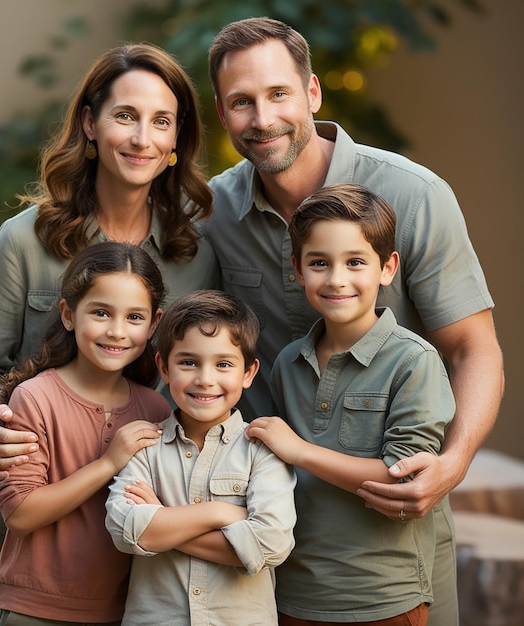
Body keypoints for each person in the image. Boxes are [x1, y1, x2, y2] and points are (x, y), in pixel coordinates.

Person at [202, 17, 503, 625]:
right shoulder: (212, 213)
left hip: (395, 535)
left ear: (312, 92)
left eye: (278, 94)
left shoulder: (414, 195)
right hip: (269, 526)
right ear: (222, 112)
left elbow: (475, 349)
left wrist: (451, 465)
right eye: (242, 102)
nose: (262, 119)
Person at [0, 43, 216, 626]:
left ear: (177, 143)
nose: (142, 137)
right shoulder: (24, 240)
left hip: (139, 515)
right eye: (125, 115)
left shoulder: (196, 254)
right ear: (91, 124)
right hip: (25, 520)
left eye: (162, 121)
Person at [246, 184, 455, 625]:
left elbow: (404, 481)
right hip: (292, 591)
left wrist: (301, 451)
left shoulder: (413, 361)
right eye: (319, 263)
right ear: (298, 271)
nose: (336, 279)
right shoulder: (288, 362)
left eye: (355, 262)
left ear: (387, 267)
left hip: (381, 598)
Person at [0, 240, 171, 625]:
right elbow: (21, 515)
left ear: (154, 323)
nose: (117, 331)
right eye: (101, 313)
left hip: (124, 610)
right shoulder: (34, 398)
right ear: (68, 314)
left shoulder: (156, 410)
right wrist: (109, 462)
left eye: (135, 318)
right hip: (36, 609)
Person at [105, 290, 296, 626]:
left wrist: (164, 520)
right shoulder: (144, 445)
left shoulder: (262, 450)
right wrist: (219, 513)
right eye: (189, 362)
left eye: (223, 364)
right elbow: (126, 531)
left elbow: (270, 545)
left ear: (249, 373)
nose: (205, 379)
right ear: (164, 367)